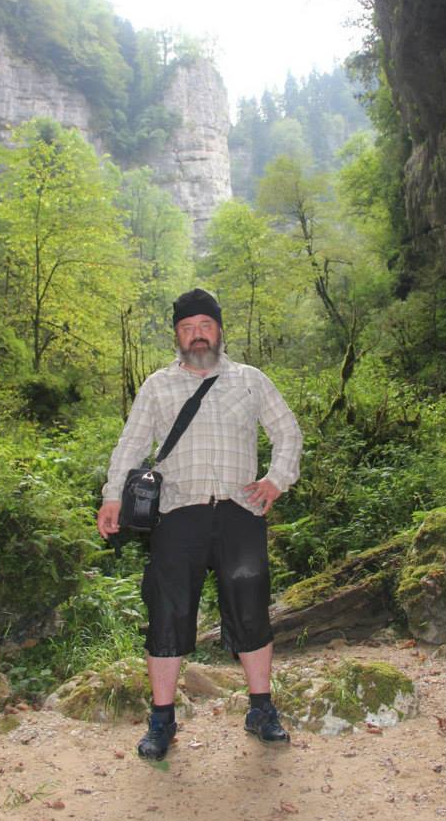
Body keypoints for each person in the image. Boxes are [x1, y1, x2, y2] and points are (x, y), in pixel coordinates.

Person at [97, 288, 302, 761]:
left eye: (204, 326)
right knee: (166, 613)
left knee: (251, 609)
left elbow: (288, 432)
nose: (197, 335)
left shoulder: (250, 380)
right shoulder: (158, 386)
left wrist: (276, 480)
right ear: (177, 336)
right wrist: (112, 496)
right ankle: (161, 720)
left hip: (240, 512)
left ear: (219, 330)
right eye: (187, 328)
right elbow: (131, 445)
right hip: (177, 515)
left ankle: (261, 709)